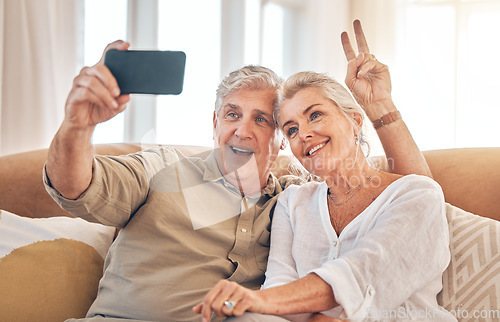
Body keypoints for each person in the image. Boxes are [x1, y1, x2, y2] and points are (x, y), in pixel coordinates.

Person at [44, 20, 430, 321]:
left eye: (262, 120)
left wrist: (379, 106)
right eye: (232, 114)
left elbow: (415, 196)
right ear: (214, 122)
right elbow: (78, 186)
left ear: (281, 141)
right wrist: (78, 126)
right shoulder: (161, 168)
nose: (242, 130)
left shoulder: (292, 198)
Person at [194, 20, 455, 321]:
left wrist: (260, 300)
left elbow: (360, 275)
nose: (303, 134)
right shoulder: (293, 201)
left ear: (355, 121)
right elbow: (279, 285)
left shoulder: (417, 194)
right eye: (291, 129)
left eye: (315, 115)